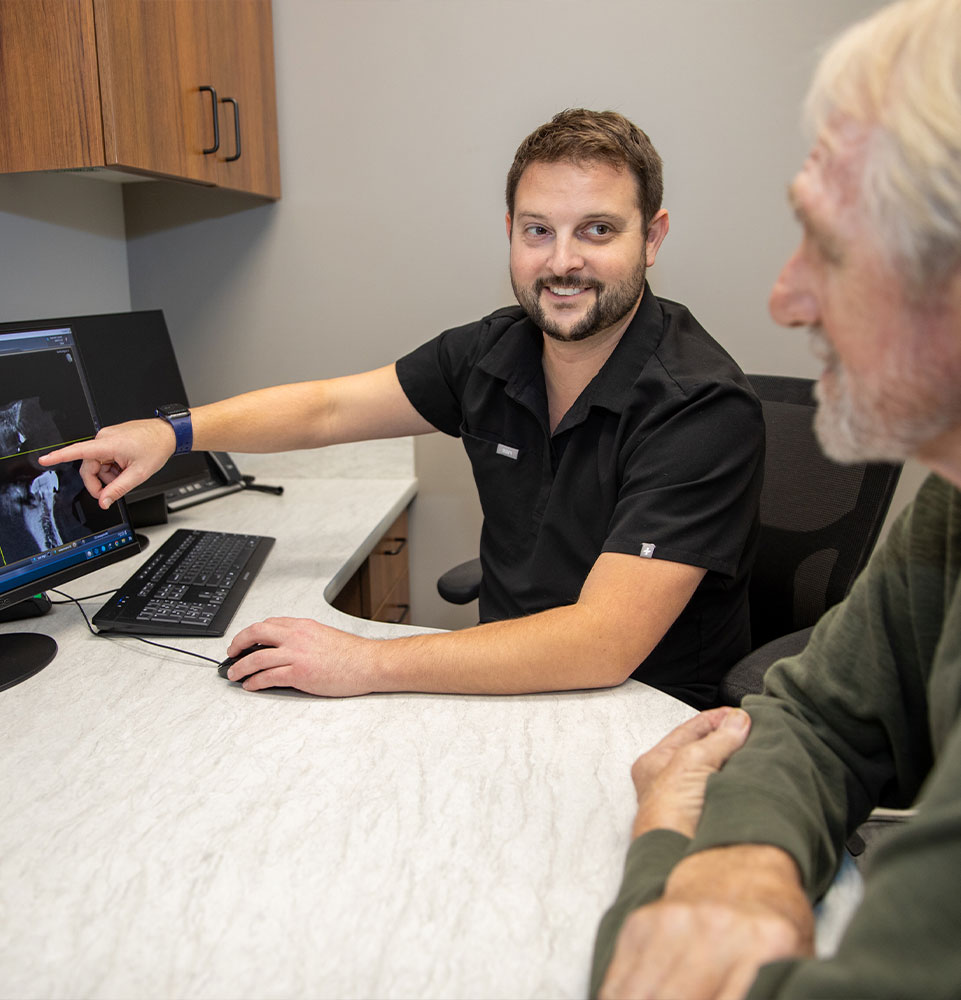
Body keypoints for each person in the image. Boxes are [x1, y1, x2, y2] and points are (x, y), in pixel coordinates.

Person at [42, 109, 763, 707]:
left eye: (597, 230)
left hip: (647, 711)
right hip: (501, 681)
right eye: (538, 230)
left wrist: (365, 661)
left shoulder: (700, 407)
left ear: (652, 238)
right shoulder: (494, 351)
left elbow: (602, 643)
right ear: (509, 232)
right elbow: (328, 408)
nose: (562, 262)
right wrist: (171, 433)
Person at [591, 0, 961, 996]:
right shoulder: (952, 507)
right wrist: (746, 860)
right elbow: (815, 714)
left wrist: (667, 844)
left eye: (828, 245)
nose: (784, 298)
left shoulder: (694, 394)